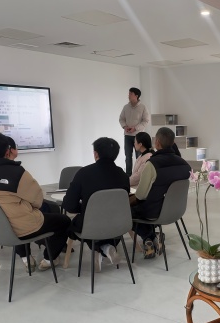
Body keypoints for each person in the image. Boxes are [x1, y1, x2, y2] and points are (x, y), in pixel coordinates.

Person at [0, 133, 71, 271]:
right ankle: (48, 259)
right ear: (7, 151)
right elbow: (38, 200)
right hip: (22, 228)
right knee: (64, 221)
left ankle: (26, 258)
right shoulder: (17, 172)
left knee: (12, 218)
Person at [62, 137, 130, 272]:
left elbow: (69, 205)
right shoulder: (123, 175)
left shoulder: (84, 173)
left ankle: (101, 248)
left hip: (92, 224)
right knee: (101, 223)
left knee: (75, 225)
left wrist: (85, 209)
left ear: (96, 154)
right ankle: (106, 247)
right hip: (118, 224)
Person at [131, 127, 191, 259]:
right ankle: (153, 237)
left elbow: (140, 195)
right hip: (176, 210)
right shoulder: (185, 165)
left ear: (157, 142)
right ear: (173, 142)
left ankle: (149, 237)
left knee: (127, 212)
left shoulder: (152, 164)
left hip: (154, 212)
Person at [119, 87, 150, 176]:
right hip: (127, 136)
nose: (128, 95)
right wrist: (125, 126)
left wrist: (135, 128)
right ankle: (128, 176)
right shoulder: (126, 107)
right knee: (128, 157)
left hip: (138, 136)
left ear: (136, 96)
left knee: (139, 157)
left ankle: (139, 175)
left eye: (130, 94)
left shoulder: (143, 107)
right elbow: (121, 119)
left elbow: (146, 121)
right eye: (129, 93)